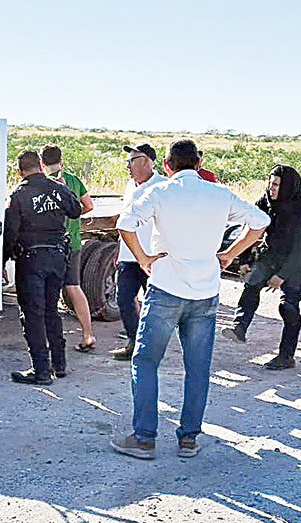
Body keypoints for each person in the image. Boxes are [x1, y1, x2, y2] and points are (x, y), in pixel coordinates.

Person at [110, 139, 270, 459]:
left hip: (166, 288)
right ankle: (188, 439)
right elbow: (260, 222)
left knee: (145, 361)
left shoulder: (159, 193)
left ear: (167, 165)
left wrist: (143, 258)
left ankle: (144, 437)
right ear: (199, 162)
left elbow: (124, 224)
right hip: (206, 292)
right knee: (197, 368)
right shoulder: (220, 195)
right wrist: (229, 254)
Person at [223, 164, 301, 371]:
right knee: (251, 284)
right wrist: (244, 260)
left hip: (293, 261)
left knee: (288, 308)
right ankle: (239, 327)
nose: (271, 188)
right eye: (270, 183)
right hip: (270, 254)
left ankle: (286, 356)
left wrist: (282, 275)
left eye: (276, 185)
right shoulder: (264, 202)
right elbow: (251, 230)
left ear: (288, 187)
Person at [4, 149, 82, 384]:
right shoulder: (58, 188)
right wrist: (62, 189)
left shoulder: (19, 194)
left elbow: (11, 232)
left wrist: (2, 261)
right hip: (57, 257)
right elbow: (76, 210)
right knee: (51, 310)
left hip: (31, 259)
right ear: (40, 164)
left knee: (32, 313)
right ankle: (59, 364)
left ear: (19, 172)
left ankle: (41, 370)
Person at [110, 143, 166, 361]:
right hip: (128, 257)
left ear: (147, 161)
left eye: (132, 160)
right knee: (124, 299)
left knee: (156, 304)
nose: (127, 165)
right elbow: (124, 221)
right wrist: (118, 249)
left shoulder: (163, 186)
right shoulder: (129, 186)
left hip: (153, 257)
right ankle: (134, 342)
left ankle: (153, 346)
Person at [40, 144, 97, 352]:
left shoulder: (44, 183)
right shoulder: (73, 180)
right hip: (72, 242)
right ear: (61, 161)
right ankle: (88, 334)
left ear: (42, 163)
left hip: (51, 244)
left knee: (48, 292)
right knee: (74, 287)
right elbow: (89, 206)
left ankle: (47, 338)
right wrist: (74, 215)